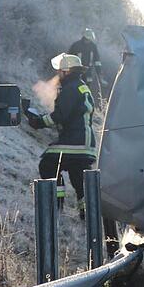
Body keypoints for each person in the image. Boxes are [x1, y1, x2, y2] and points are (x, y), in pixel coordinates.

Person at [27, 53, 97, 218]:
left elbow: (60, 115)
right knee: (78, 176)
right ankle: (86, 215)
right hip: (84, 142)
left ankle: (55, 206)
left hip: (75, 141)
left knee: (48, 165)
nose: (58, 74)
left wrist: (39, 122)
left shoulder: (70, 88)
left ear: (66, 71)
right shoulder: (80, 86)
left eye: (60, 71)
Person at [69, 28, 103, 92]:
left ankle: (84, 100)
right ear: (84, 37)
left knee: (85, 91)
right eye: (87, 39)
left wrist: (99, 73)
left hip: (88, 74)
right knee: (76, 90)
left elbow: (97, 61)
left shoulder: (93, 46)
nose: (88, 41)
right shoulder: (76, 45)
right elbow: (69, 59)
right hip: (76, 73)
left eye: (89, 39)